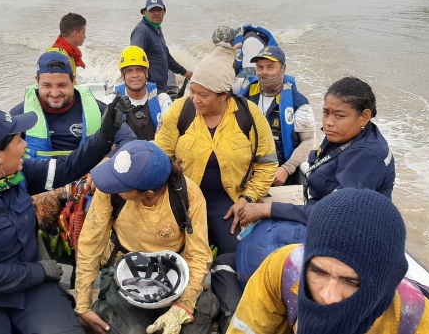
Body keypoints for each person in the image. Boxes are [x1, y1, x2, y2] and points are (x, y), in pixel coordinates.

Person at [0, 104, 125, 334]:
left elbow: (69, 167)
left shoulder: (17, 175)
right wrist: (40, 271)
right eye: (20, 139)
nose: (26, 144)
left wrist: (105, 135)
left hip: (30, 291)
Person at [231, 76, 395, 282]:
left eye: (339, 115)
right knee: (250, 239)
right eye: (326, 112)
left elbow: (334, 216)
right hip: (318, 211)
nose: (328, 122)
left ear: (364, 116)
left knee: (255, 252)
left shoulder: (366, 156)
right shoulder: (344, 135)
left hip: (346, 236)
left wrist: (268, 210)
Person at [225, 188, 429, 334]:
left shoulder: (419, 325)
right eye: (318, 272)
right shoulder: (282, 269)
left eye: (351, 282)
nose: (327, 295)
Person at [74, 141, 218, 334]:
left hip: (175, 276)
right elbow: (90, 245)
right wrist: (83, 305)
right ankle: (107, 306)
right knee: (134, 331)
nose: (112, 185)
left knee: (189, 327)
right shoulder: (110, 190)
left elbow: (199, 256)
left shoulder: (188, 195)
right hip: (124, 272)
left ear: (148, 193)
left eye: (121, 185)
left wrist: (183, 305)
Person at [155, 43, 277, 256]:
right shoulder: (180, 111)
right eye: (192, 91)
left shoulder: (249, 115)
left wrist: (247, 199)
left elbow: (266, 164)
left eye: (203, 95)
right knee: (171, 253)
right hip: (183, 197)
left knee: (236, 254)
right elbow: (160, 156)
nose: (195, 99)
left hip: (229, 201)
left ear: (224, 95)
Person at [234, 44, 314, 187]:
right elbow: (214, 84)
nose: (264, 72)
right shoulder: (244, 91)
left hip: (279, 173)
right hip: (244, 169)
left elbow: (308, 141)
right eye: (260, 67)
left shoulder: (299, 103)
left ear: (283, 69)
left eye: (271, 67)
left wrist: (286, 169)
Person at [12, 51, 117, 158]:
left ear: (73, 81)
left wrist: (106, 162)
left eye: (62, 85)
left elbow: (128, 141)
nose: (55, 93)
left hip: (90, 173)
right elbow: (0, 154)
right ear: (37, 81)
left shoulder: (99, 109)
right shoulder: (19, 115)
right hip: (38, 173)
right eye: (47, 85)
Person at [107, 46, 175, 142]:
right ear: (122, 75)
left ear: (146, 73)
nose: (135, 75)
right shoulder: (111, 102)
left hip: (155, 152)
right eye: (129, 71)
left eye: (139, 69)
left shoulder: (162, 100)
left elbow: (168, 138)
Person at [130, 0, 192, 96]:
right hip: (149, 89)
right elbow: (134, 60)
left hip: (160, 88)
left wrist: (184, 72)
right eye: (152, 10)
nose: (156, 13)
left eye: (159, 10)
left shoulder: (156, 29)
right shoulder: (142, 32)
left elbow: (166, 57)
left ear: (164, 12)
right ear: (145, 12)